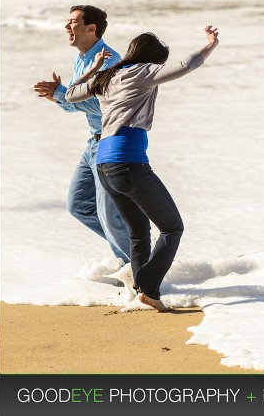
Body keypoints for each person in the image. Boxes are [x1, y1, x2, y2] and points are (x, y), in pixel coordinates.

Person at [65, 26, 220, 312]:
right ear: (151, 59)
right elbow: (186, 65)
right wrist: (210, 45)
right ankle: (148, 288)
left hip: (104, 164)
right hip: (128, 162)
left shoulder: (106, 77)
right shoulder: (143, 72)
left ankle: (139, 287)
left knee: (138, 230)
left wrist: (94, 68)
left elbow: (72, 94)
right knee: (172, 228)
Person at [33, 5, 131, 264]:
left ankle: (139, 270)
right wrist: (60, 97)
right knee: (79, 206)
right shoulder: (82, 59)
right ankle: (136, 253)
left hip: (111, 142)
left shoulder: (109, 61)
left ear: (91, 28)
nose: (67, 26)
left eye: (73, 21)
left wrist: (62, 95)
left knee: (110, 215)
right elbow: (74, 102)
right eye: (67, 21)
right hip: (93, 143)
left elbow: (102, 104)